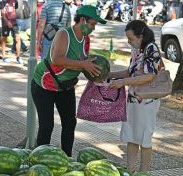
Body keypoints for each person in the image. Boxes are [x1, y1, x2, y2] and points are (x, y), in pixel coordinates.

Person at [31, 5, 107, 156]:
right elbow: (56, 59)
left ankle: (67, 158)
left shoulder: (85, 39)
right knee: (47, 125)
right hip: (44, 84)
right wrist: (83, 64)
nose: (93, 28)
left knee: (70, 123)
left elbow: (81, 61)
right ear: (83, 20)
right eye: (92, 24)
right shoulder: (64, 34)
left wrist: (94, 68)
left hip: (65, 86)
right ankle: (39, 159)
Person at [108, 20, 163, 174]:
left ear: (141, 36)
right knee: (131, 135)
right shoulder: (137, 50)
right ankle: (130, 170)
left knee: (145, 137)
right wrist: (109, 76)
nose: (129, 42)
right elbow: (129, 72)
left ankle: (143, 172)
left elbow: (149, 76)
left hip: (147, 101)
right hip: (133, 99)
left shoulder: (151, 49)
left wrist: (123, 82)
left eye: (131, 39)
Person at [0, 0, 23, 64]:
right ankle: (4, 56)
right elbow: (2, 14)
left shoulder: (16, 2)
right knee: (4, 39)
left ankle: (18, 57)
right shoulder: (3, 2)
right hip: (5, 23)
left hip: (14, 23)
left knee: (17, 39)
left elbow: (16, 12)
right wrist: (7, 22)